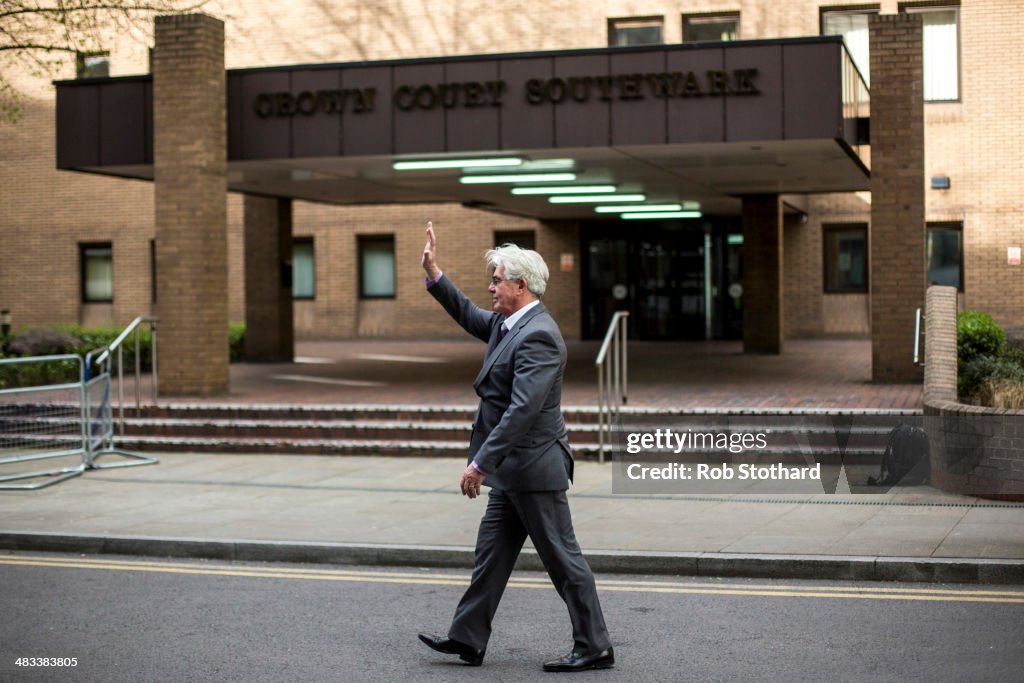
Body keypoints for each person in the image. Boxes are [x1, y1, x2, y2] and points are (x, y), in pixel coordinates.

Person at [417, 221, 613, 672]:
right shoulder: (509, 325)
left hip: (535, 469)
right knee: (491, 556)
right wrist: (434, 272)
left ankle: (595, 645)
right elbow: (468, 314)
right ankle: (467, 638)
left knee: (564, 560)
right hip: (513, 472)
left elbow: (521, 412)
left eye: (497, 280)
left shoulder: (538, 335)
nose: (490, 287)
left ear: (520, 285)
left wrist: (480, 464)